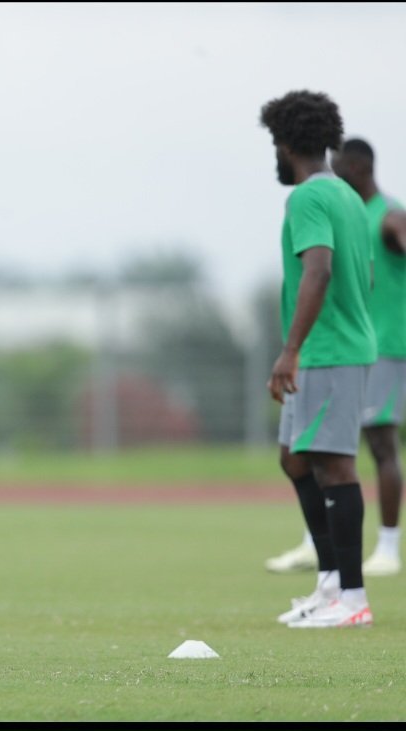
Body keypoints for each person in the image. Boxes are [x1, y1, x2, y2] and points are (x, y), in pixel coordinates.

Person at [260, 90, 376, 628]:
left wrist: (291, 349)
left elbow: (320, 270)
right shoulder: (350, 196)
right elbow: (366, 274)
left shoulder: (307, 198)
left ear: (284, 144)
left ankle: (352, 599)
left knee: (334, 466)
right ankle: (330, 584)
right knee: (295, 457)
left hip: (326, 352)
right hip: (333, 347)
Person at [265, 139, 406, 579]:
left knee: (374, 446)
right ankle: (320, 553)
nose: (334, 172)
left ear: (360, 168)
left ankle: (385, 549)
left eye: (341, 166)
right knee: (306, 454)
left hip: (384, 347)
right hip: (351, 346)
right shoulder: (344, 209)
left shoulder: (389, 216)